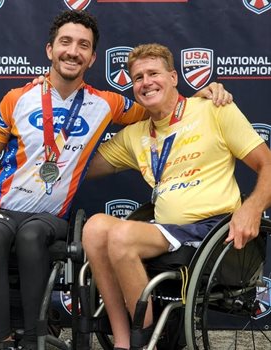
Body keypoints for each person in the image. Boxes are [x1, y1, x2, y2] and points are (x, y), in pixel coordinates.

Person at [0, 10, 232, 350]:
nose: (73, 51)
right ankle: (2, 341)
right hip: (1, 208)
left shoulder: (106, 104)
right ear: (50, 49)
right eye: (65, 42)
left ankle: (36, 340)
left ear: (92, 58)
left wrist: (202, 95)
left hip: (47, 217)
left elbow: (160, 105)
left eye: (83, 45)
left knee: (33, 234)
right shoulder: (17, 97)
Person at [82, 43, 271, 350]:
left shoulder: (214, 109)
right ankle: (123, 341)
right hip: (169, 231)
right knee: (95, 228)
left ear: (173, 77)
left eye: (153, 73)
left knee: (121, 236)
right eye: (138, 77)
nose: (146, 82)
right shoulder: (135, 135)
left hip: (212, 232)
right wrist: (53, 99)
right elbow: (78, 167)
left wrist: (253, 207)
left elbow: (268, 165)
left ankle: (146, 344)